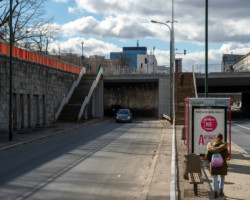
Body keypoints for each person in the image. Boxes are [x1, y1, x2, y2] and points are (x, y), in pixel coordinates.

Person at [205, 133, 229, 198]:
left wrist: (211, 160)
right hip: (222, 164)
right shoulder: (224, 147)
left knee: (214, 177)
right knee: (222, 177)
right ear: (222, 139)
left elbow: (207, 156)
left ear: (216, 138)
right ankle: (221, 190)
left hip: (213, 164)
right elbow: (226, 156)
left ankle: (215, 191)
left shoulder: (211, 146)